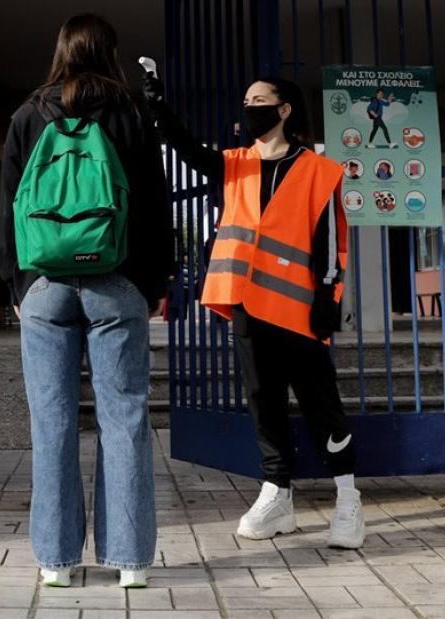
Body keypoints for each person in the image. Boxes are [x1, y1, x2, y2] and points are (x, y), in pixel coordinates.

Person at [144, 73, 366, 549]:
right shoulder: (236, 163)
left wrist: (328, 299)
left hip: (300, 310)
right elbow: (190, 151)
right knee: (263, 402)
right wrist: (161, 110)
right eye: (246, 101)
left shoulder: (318, 170)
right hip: (248, 304)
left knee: (320, 404)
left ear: (284, 110)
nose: (249, 109)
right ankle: (277, 495)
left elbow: (330, 243)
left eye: (259, 101)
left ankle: (348, 497)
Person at [0, 14, 174, 588]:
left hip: (44, 284)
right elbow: (154, 205)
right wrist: (153, 283)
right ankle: (130, 562)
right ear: (110, 53)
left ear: (61, 51)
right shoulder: (132, 113)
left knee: (51, 421)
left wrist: (16, 283)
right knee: (124, 419)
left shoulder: (28, 114)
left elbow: (7, 206)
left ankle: (56, 561)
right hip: (117, 282)